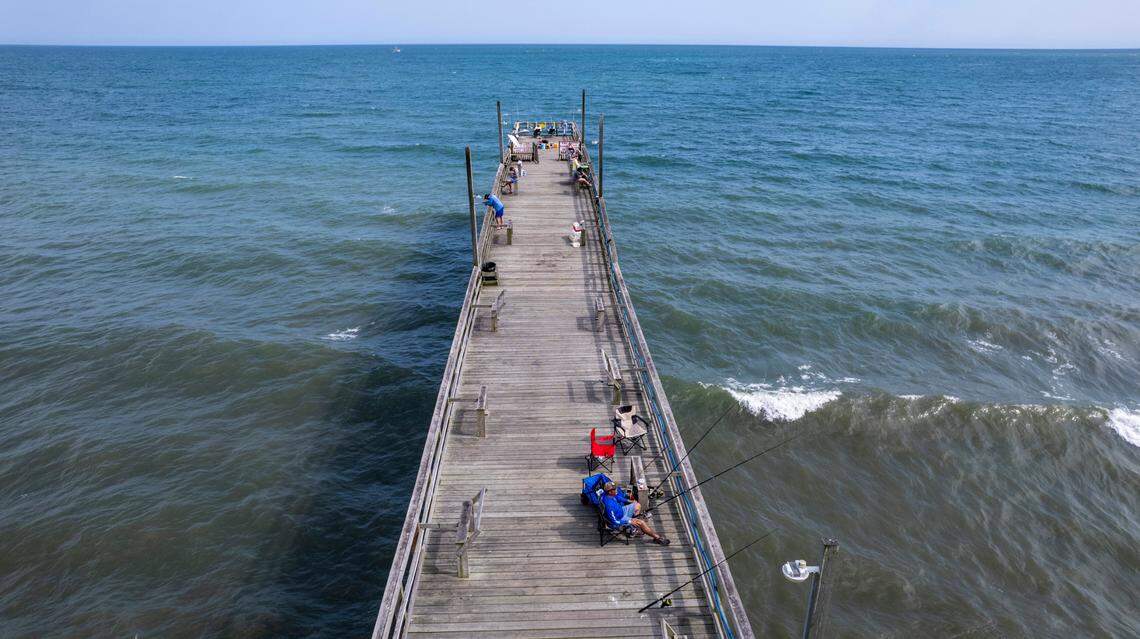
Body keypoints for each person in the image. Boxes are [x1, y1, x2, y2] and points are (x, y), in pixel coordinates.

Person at [601, 481, 669, 545]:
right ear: (610, 492)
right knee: (641, 522)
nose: (616, 490)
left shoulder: (608, 495)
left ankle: (634, 527)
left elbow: (618, 498)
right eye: (615, 489)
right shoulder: (609, 506)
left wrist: (630, 501)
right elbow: (614, 522)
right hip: (620, 519)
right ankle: (657, 538)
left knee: (637, 505)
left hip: (621, 511)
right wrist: (629, 521)